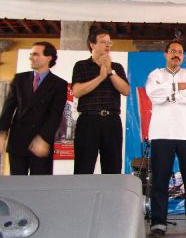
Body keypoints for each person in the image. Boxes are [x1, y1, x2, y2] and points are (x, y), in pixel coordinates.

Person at [145, 40, 186, 238]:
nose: (177, 54)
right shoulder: (155, 74)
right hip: (161, 133)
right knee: (160, 179)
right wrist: (177, 88)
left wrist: (168, 92)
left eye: (180, 52)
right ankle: (158, 222)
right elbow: (153, 95)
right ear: (165, 54)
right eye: (173, 51)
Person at [0, 42, 67, 175]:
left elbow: (55, 114)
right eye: (31, 54)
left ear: (49, 58)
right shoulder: (20, 79)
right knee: (17, 186)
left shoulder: (59, 84)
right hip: (17, 141)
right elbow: (8, 108)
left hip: (40, 142)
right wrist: (2, 133)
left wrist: (43, 138)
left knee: (40, 186)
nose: (31, 57)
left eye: (35, 54)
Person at [72, 28, 130, 174]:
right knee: (83, 167)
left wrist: (109, 72)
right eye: (103, 42)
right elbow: (77, 91)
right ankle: (82, 196)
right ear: (92, 44)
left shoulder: (116, 67)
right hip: (88, 121)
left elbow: (126, 90)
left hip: (112, 121)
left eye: (109, 42)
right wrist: (100, 77)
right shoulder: (81, 65)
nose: (107, 45)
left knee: (113, 167)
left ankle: (111, 197)